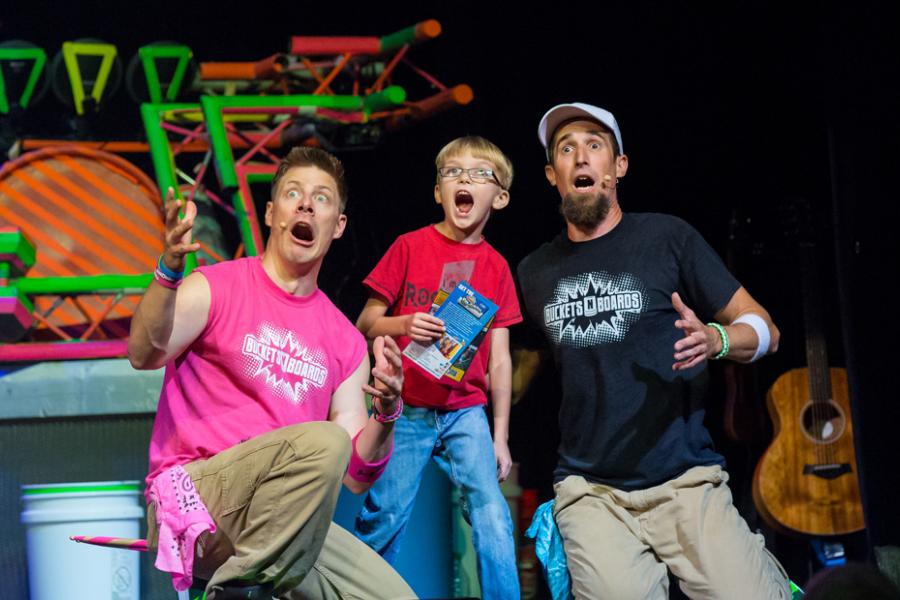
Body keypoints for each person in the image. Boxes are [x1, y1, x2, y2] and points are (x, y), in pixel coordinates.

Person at [516, 103, 790, 599]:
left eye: (594, 145)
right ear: (551, 174)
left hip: (686, 481)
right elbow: (519, 370)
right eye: (566, 149)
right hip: (592, 492)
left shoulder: (667, 237)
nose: (581, 157)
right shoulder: (534, 273)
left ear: (618, 167)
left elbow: (766, 329)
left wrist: (717, 339)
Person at [129, 147, 416, 600]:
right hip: (195, 501)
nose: (306, 204)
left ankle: (252, 580)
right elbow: (144, 353)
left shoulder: (343, 341)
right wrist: (168, 270)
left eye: (321, 198)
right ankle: (238, 589)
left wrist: (386, 412)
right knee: (325, 440)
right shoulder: (215, 286)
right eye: (293, 194)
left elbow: (357, 474)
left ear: (338, 225)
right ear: (271, 212)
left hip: (282, 520)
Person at [352, 136, 522, 599]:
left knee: (490, 513)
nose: (464, 180)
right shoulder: (410, 247)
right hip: (408, 409)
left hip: (465, 410)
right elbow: (366, 323)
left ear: (500, 197)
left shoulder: (498, 268)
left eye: (479, 174)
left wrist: (500, 436)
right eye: (453, 173)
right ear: (437, 191)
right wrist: (406, 322)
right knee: (385, 515)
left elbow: (501, 359)